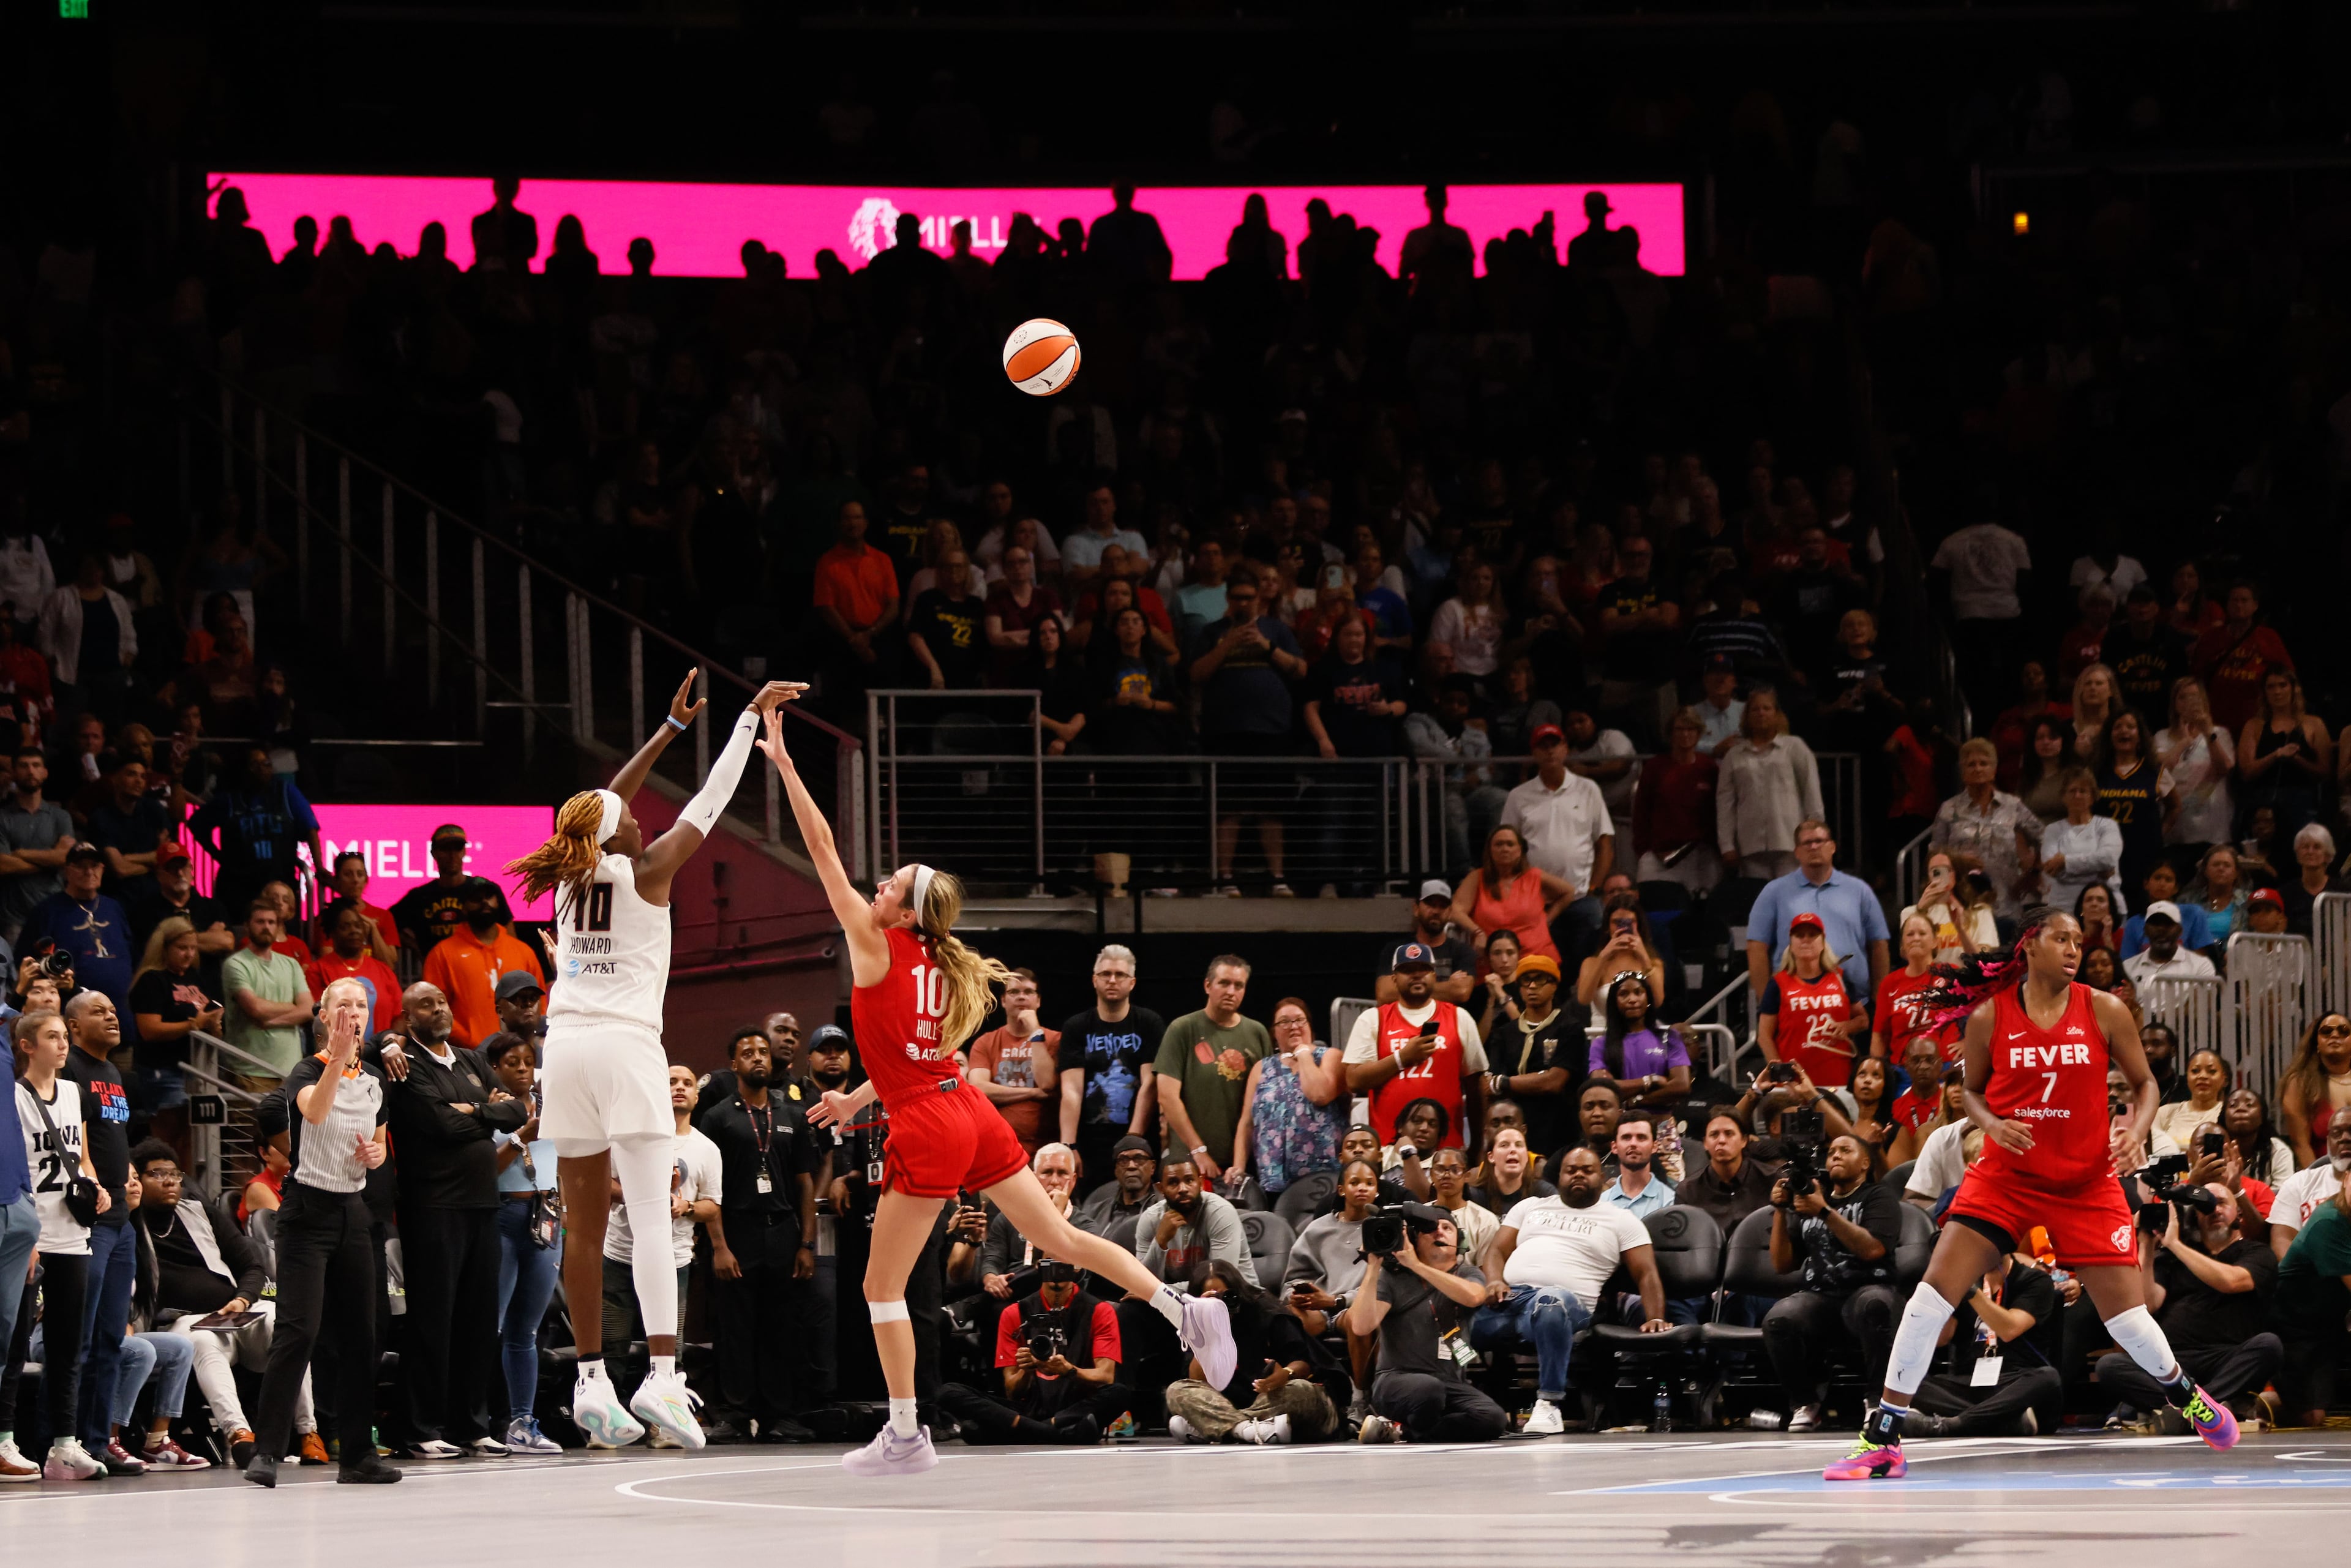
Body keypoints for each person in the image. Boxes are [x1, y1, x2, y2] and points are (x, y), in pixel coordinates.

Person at [762, 702, 1235, 1476]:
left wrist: (784, 761)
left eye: (893, 882)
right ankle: (1182, 1308)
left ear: (903, 911)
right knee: (1061, 1240)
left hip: (930, 1119)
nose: (878, 883)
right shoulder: (939, 965)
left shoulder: (876, 946)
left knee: (881, 1286)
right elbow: (917, 1058)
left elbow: (820, 848)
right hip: (968, 1110)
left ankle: (908, 1433)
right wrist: (858, 1099)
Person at [1824, 909, 2242, 1482]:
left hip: (2086, 1181)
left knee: (2127, 1318)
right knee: (1930, 1296)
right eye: (2061, 938)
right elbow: (1971, 1092)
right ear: (2029, 946)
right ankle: (1885, 1436)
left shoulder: (2104, 1008)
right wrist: (1992, 1126)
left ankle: (2187, 1396)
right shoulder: (1991, 1015)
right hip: (2006, 1176)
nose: (2074, 948)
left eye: (2078, 940)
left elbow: (2146, 1083)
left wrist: (2138, 1129)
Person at [496, 670, 800, 1452]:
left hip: (563, 1051)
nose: (640, 812)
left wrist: (666, 728)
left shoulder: (566, 874)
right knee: (655, 1223)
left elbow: (598, 802)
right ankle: (663, 1378)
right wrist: (744, 721)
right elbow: (712, 797)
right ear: (618, 833)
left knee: (586, 1231)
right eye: (631, 813)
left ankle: (593, 1380)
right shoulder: (650, 867)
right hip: (627, 1047)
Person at [242, 978, 399, 1487]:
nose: (354, 1012)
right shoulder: (307, 1070)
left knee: (362, 1337)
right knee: (299, 1331)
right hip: (307, 1212)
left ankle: (357, 1454)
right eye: (344, 1006)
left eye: (361, 1005)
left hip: (353, 1211)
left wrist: (376, 1154)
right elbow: (314, 1111)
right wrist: (338, 1056)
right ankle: (266, 1451)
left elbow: (375, 1141)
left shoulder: (374, 1078)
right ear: (325, 1016)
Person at [370, 978, 527, 1460]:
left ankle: (471, 1424)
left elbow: (517, 1110)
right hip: (433, 1207)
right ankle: (420, 1427)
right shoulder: (405, 1064)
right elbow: (438, 1124)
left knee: (479, 1322)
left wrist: (475, 1109)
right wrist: (487, 1113)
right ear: (407, 1015)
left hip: (482, 1206)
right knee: (433, 1321)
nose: (437, 1008)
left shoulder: (471, 1059)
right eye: (425, 1003)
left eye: (440, 1000)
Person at [126, 1138, 302, 1469]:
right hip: (180, 1321)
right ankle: (240, 1435)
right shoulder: (130, 1225)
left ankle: (309, 1433)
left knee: (287, 1322)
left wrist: (243, 1298)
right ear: (137, 1179)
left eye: (175, 1174)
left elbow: (251, 1264)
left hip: (233, 1314)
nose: (169, 1181)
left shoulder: (199, 1211)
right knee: (201, 1341)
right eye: (156, 1174)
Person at [1469, 1146, 1670, 1434]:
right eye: (1571, 1170)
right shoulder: (1530, 1207)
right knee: (1451, 1324)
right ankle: (1453, 1392)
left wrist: (1655, 1316)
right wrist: (1493, 1281)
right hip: (1509, 1302)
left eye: (1587, 1171)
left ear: (1601, 1177)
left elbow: (1646, 1273)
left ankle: (1549, 1405)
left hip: (1564, 1305)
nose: (1578, 1175)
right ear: (1559, 1177)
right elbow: (1496, 1252)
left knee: (1552, 1302)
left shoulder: (1622, 1220)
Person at [700, 1027, 819, 1444]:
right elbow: (707, 1189)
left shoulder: (792, 1115)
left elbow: (806, 1183)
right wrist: (718, 1245)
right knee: (734, 1328)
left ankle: (779, 1416)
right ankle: (734, 1414)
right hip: (737, 1231)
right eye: (748, 1052)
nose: (758, 1059)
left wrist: (807, 1243)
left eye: (763, 1052)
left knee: (782, 1327)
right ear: (733, 1064)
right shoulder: (717, 1117)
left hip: (783, 1231)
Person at [7, 1008, 111, 1480]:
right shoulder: (12, 1095)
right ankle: (5, 1438)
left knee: (70, 1343)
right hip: (33, 1230)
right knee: (14, 1342)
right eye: (53, 1036)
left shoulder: (73, 1091)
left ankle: (64, 1445)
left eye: (65, 1036)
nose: (64, 1044)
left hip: (73, 1230)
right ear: (27, 1045)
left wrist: (95, 1184)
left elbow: (82, 1154)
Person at [2096, 1180, 2281, 1430]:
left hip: (2226, 1359)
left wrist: (2174, 1244)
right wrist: (2147, 1247)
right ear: (2195, 1217)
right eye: (2207, 1206)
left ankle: (2185, 1410)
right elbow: (2147, 1304)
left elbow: (2232, 1281)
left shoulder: (2257, 1253)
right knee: (2110, 1366)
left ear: (2239, 1214)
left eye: (2221, 1203)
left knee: (2269, 1345)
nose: (2214, 1210)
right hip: (2173, 1361)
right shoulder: (2171, 1259)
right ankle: (2199, 1409)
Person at [1762, 1130, 1901, 1431]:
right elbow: (1782, 1264)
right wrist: (1780, 1211)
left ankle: (1877, 1401)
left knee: (1875, 1304)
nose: (1835, 1155)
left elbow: (1873, 1249)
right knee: (1779, 1318)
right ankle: (1805, 1403)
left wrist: (1824, 1211)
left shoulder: (1878, 1196)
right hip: (1822, 1296)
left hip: (1868, 1288)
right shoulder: (1812, 1199)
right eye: (1832, 1151)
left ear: (1865, 1163)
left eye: (1845, 1150)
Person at [1346, 1205, 1510, 1444]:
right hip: (1396, 1381)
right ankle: (1405, 1425)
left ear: (1459, 1239)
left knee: (1493, 1418)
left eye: (1447, 1228)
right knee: (1428, 1389)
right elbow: (1361, 1327)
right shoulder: (1393, 1277)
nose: (1439, 1233)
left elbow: (1474, 1297)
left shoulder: (1468, 1273)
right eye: (1430, 1230)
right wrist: (1372, 1266)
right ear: (1414, 1239)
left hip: (1448, 1383)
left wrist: (1417, 1265)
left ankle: (1402, 1433)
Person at [938, 1258, 1133, 1446]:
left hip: (1077, 1403)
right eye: (1051, 1263)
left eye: (1064, 1263)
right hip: (1030, 1406)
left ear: (1076, 1267)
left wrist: (1069, 1370)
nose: (1057, 1271)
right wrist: (1027, 1369)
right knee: (949, 1392)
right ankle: (1058, 1433)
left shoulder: (1099, 1310)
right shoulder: (1015, 1312)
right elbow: (1012, 1391)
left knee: (1119, 1393)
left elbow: (1106, 1377)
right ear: (1039, 1266)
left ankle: (1024, 1430)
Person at [481, 1032, 565, 1454]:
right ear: (494, 1067)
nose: (521, 1067)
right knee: (489, 1324)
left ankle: (522, 1421)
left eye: (528, 1061)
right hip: (503, 1215)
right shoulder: (488, 1109)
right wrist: (518, 1137)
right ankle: (477, 1422)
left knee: (525, 1331)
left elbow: (557, 1163)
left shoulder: (550, 1107)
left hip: (545, 1217)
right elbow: (484, 1170)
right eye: (511, 1061)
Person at [1165, 1259, 1343, 1446]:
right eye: (1212, 1298)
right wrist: (1207, 1329)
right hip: (1236, 1402)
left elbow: (1304, 1363)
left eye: (1226, 1296)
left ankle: (1216, 1428)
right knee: (1176, 1391)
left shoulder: (1267, 1312)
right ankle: (1248, 1430)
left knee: (1301, 1390)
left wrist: (1285, 1374)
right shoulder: (1195, 1323)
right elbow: (1197, 1381)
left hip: (1276, 1398)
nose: (1221, 1304)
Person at [1892, 1245, 2065, 1437]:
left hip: (2014, 1383)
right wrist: (1936, 1293)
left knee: (2048, 1378)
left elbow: (2010, 1329)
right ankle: (2005, 1422)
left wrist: (1971, 1293)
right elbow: (1941, 1339)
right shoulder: (1962, 1282)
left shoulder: (2034, 1280)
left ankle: (1952, 1425)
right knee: (1909, 1381)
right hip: (1971, 1383)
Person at [1344, 942, 1488, 1157]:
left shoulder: (1459, 1017)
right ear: (1394, 978)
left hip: (1448, 1151)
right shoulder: (1373, 1019)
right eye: (1408, 971)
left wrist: (1477, 1145)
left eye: (1424, 970)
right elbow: (1354, 1080)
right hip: (1389, 1150)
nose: (1417, 976)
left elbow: (1477, 1086)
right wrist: (1402, 1058)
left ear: (1435, 975)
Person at [1152, 955, 1272, 1186]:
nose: (1231, 991)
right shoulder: (1182, 1029)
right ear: (1208, 985)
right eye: (1224, 983)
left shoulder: (1257, 1032)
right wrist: (1198, 1150)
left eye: (1239, 986)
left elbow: (1262, 1101)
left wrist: (1242, 1162)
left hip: (1242, 1163)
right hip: (1189, 1163)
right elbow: (1167, 1096)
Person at [1498, 724, 1612, 958]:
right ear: (1534, 753)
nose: (1550, 751)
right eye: (1543, 746)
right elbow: (1506, 847)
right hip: (1536, 901)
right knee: (1540, 967)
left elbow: (1605, 843)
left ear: (1565, 749)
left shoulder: (1588, 789)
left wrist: (1595, 888)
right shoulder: (1518, 796)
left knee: (1587, 966)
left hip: (1582, 897)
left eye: (1555, 745)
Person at [1745, 819, 1890, 1003]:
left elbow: (1879, 944)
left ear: (1832, 847)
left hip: (1855, 1003)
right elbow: (1756, 947)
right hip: (1794, 1006)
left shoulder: (1860, 890)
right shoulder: (1774, 892)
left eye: (1819, 841)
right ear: (1797, 852)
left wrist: (1879, 997)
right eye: (1807, 843)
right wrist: (1768, 1002)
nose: (1813, 847)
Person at [1057, 945, 1164, 1190]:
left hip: (1138, 1136)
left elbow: (1150, 1083)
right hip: (1089, 1139)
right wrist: (1068, 1146)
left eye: (1120, 975)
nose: (1112, 980)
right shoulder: (1077, 1026)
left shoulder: (1149, 1023)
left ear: (1133, 982)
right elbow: (1071, 1090)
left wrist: (1133, 1140)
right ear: (1095, 980)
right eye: (1106, 974)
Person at [184, 746, 324, 920]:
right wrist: (218, 855)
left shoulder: (286, 793)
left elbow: (311, 829)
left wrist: (319, 866)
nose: (262, 768)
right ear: (244, 770)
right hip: (238, 888)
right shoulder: (229, 801)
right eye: (255, 764)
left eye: (266, 763)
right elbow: (196, 824)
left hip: (279, 882)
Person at [1238, 997, 1347, 1198]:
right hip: (1273, 1179)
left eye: (1299, 1020)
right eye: (1284, 1022)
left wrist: (1304, 1053)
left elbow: (1319, 1095)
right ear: (1274, 1032)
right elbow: (1247, 1123)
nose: (1293, 1026)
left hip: (1322, 1178)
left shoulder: (1330, 1056)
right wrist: (1238, 1169)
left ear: (1310, 1026)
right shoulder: (1262, 1068)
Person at [419, 877, 544, 1049]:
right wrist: (474, 1045)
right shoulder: (442, 954)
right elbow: (435, 1010)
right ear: (463, 906)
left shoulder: (523, 951)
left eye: (489, 896)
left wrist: (529, 1043)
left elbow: (541, 1005)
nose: (485, 902)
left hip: (521, 1054)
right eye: (476, 899)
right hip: (467, 1055)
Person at [1929, 738, 2042, 923]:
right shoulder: (1949, 809)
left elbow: (2045, 837)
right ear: (1963, 772)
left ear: (1994, 770)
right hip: (1962, 905)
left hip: (2006, 904)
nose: (1978, 769)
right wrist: (1957, 861)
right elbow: (1934, 855)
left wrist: (2034, 874)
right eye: (1971, 764)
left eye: (1984, 763)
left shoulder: (2012, 806)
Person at [1716, 688, 1824, 880]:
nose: (1761, 713)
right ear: (1747, 716)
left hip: (1790, 843)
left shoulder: (1794, 747)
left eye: (1767, 708)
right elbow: (1725, 804)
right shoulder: (1734, 755)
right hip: (1750, 846)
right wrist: (1727, 846)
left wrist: (1815, 838)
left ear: (1777, 714)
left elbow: (1811, 793)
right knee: (1758, 903)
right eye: (1755, 709)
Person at [1480, 953, 1578, 1163]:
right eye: (1526, 981)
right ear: (1520, 988)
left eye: (1540, 979)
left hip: (1558, 1130)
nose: (1532, 986)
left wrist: (1505, 1082)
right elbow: (1489, 1087)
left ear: (1554, 986)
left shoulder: (1570, 1028)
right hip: (1513, 1133)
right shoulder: (1505, 1032)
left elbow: (1554, 1082)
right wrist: (1535, 1078)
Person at [1758, 913, 1869, 1089]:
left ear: (1823, 942)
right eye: (1800, 936)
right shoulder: (1778, 983)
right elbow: (1764, 1036)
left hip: (1839, 1078)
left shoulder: (1840, 978)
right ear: (1791, 944)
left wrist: (1847, 1026)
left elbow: (1863, 1020)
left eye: (1812, 935)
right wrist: (1780, 1075)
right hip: (1795, 1084)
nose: (1806, 940)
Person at [1448, 825, 1573, 969]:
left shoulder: (1534, 876)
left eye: (1510, 844)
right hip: (1493, 961)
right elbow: (1455, 910)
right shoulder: (1477, 878)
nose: (1505, 849)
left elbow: (1568, 892)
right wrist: (1478, 932)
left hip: (1535, 957)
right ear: (1490, 850)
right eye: (1499, 844)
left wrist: (1547, 919)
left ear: (1520, 850)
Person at [220, 896, 311, 1089]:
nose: (266, 927)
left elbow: (308, 1009)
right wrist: (290, 1006)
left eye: (271, 922)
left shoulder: (291, 965)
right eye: (260, 922)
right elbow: (255, 1009)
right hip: (250, 1072)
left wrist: (269, 1021)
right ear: (247, 926)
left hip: (290, 1072)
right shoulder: (236, 964)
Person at [1633, 707, 1722, 896]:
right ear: (1671, 733)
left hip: (1702, 856)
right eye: (1680, 729)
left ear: (1699, 733)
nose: (1686, 734)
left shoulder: (1709, 767)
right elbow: (1641, 812)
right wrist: (1644, 851)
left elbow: (1719, 811)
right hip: (1660, 856)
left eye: (1691, 729)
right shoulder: (1655, 767)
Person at [390, 823, 513, 953]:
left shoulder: (486, 891)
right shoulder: (420, 897)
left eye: (457, 848)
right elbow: (387, 925)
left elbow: (511, 939)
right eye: (446, 849)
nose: (452, 855)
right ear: (434, 853)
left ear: (464, 852)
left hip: (480, 969)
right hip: (437, 970)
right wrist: (416, 947)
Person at [1589, 970, 1692, 1112]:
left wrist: (1636, 1101)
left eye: (1638, 992)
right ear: (1614, 1002)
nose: (1632, 999)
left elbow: (1681, 1085)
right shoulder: (1601, 1044)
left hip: (1661, 1124)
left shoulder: (1669, 1038)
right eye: (1624, 994)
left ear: (1648, 999)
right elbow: (1602, 1087)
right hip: (1621, 1126)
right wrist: (1650, 1080)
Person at [2156, 676, 2235, 850]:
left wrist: (2207, 733)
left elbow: (2224, 769)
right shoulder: (2161, 737)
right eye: (2182, 697)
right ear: (2174, 703)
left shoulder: (2219, 733)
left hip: (2213, 832)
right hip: (2176, 831)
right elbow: (2162, 768)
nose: (2189, 702)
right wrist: (2185, 741)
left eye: (2194, 697)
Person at [1375, 879, 1480, 1006]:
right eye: (1430, 904)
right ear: (1416, 909)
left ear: (1450, 913)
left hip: (1447, 1023)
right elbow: (1384, 994)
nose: (1436, 911)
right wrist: (1447, 987)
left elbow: (1461, 992)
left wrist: (1407, 987)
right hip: (1403, 1023)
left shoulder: (1463, 952)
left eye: (1442, 906)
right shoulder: (1396, 949)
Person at [1679, 1108, 1778, 1240]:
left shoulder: (1772, 1179)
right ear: (1705, 1144)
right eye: (1714, 1135)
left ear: (1744, 1141)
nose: (1721, 1140)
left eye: (1729, 1134)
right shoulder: (1688, 1190)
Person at [306, 900, 401, 1037]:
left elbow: (400, 1017)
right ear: (332, 933)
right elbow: (320, 1019)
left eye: (358, 926)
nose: (354, 931)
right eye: (346, 927)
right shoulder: (318, 970)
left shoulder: (384, 970)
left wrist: (391, 1042)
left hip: (382, 1054)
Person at [2038, 767, 2123, 916]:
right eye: (2072, 791)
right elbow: (2054, 872)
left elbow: (2109, 858)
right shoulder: (2053, 830)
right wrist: (2098, 872)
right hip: (2063, 909)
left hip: (2105, 909)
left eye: (2083, 791)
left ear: (2092, 796)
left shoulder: (2107, 825)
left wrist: (2065, 862)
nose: (2077, 796)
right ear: (2063, 796)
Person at [2280, 1013, 2351, 1169]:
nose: (2335, 1035)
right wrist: (2317, 1181)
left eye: (2344, 1031)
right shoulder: (2301, 1083)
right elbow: (2301, 1144)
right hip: (2326, 1176)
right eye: (2326, 1031)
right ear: (2317, 1044)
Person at [1074, 1135, 1158, 1244]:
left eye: (1139, 1159)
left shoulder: (1161, 1212)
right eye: (1123, 1160)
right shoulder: (1095, 1210)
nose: (1131, 1166)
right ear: (1116, 1170)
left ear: (1153, 1167)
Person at [1600, 1111, 1676, 1217]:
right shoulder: (1600, 1204)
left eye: (1641, 1137)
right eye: (1626, 1137)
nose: (1633, 1144)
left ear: (1655, 1146)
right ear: (1614, 1147)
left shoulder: (1670, 1202)